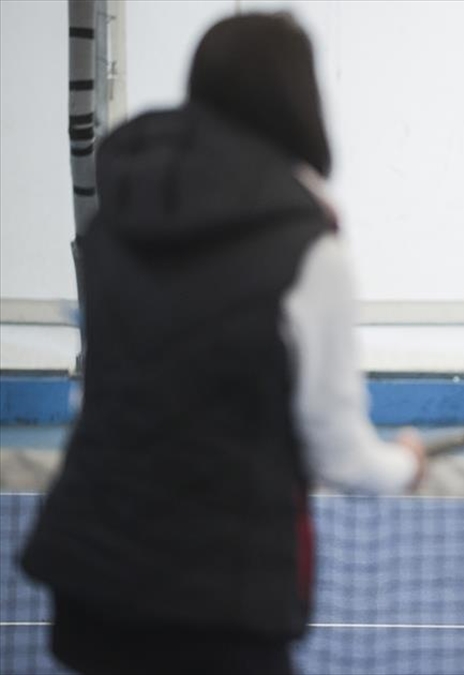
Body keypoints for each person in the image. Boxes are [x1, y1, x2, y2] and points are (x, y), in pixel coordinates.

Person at [20, 13, 426, 674]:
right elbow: (339, 452)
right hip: (218, 609)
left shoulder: (118, 213)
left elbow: (95, 394)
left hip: (92, 590)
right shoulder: (307, 245)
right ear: (299, 97)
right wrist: (405, 464)